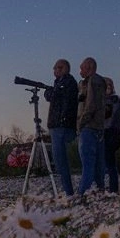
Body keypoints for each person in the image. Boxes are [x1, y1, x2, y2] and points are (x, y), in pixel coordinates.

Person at [43, 59, 79, 196]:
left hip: (61, 125)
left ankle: (68, 192)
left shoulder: (67, 83)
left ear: (63, 68)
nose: (54, 71)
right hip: (59, 125)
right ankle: (68, 190)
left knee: (60, 161)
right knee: (60, 161)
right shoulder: (61, 83)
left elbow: (57, 97)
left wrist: (50, 92)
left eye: (56, 68)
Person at [76, 57, 106, 197]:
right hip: (98, 127)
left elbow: (91, 104)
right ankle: (100, 190)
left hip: (89, 127)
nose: (80, 71)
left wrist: (81, 123)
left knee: (87, 163)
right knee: (98, 164)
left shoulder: (94, 81)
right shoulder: (96, 81)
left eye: (82, 68)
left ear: (89, 68)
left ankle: (82, 193)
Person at [103, 77, 120, 194]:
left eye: (109, 85)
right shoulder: (100, 100)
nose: (108, 87)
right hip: (104, 132)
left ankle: (113, 189)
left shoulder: (115, 100)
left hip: (111, 133)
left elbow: (113, 116)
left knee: (110, 162)